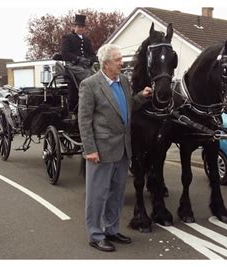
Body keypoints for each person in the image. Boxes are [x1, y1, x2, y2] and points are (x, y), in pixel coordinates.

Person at [78, 44, 152, 252]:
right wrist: (89, 149)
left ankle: (111, 229)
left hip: (122, 149)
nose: (122, 62)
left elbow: (127, 107)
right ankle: (95, 234)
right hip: (100, 150)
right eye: (118, 59)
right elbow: (84, 120)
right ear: (107, 63)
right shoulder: (90, 85)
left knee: (117, 194)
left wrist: (142, 96)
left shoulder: (124, 82)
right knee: (97, 195)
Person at [61, 14, 97, 83]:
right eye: (79, 27)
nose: (81, 29)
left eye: (82, 27)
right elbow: (65, 53)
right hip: (72, 65)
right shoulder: (67, 38)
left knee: (96, 75)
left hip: (85, 66)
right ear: (74, 27)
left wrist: (89, 61)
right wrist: (78, 59)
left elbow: (92, 54)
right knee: (87, 75)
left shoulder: (87, 40)